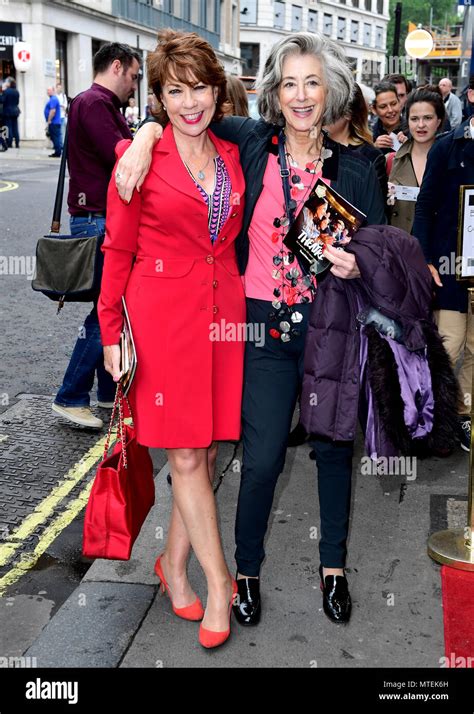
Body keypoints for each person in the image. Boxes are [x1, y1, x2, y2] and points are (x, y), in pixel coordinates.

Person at [116, 31, 386, 627]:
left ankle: (333, 570)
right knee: (259, 459)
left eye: (312, 82)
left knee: (333, 451)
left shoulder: (362, 169)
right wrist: (143, 136)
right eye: (289, 82)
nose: (300, 95)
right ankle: (246, 573)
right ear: (273, 92)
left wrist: (360, 262)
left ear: (331, 90)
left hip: (329, 330)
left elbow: (383, 255)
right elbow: (187, 116)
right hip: (260, 329)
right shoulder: (252, 142)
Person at [99, 29, 245, 649]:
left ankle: (174, 568)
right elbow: (117, 249)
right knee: (184, 455)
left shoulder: (234, 151)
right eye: (175, 92)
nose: (191, 103)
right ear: (157, 96)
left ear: (217, 91)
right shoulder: (139, 159)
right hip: (163, 319)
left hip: (223, 314)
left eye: (200, 88)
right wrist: (111, 333)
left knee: (207, 453)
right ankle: (219, 583)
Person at [51, 43, 140, 429]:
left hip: (97, 218)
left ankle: (107, 394)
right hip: (98, 220)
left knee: (111, 307)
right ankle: (70, 396)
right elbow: (122, 154)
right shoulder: (95, 103)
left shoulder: (93, 104)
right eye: (134, 76)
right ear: (117, 67)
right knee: (106, 311)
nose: (135, 85)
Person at [412, 75, 474, 452]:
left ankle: (464, 418)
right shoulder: (448, 147)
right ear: (471, 95)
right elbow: (424, 206)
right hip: (450, 269)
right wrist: (426, 259)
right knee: (449, 344)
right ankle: (424, 419)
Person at [388, 86, 446, 235]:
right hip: (399, 249)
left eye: (427, 118)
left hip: (439, 250)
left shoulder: (453, 160)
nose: (420, 125)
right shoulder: (390, 161)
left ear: (438, 120)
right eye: (414, 119)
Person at [325, 83, 387, 215]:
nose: (321, 114)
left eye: (328, 109)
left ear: (348, 114)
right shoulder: (313, 149)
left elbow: (375, 216)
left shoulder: (370, 156)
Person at [372, 81, 408, 155]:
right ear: (374, 110)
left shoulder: (413, 130)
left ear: (399, 103)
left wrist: (410, 148)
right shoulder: (368, 135)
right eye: (383, 107)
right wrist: (373, 149)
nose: (390, 110)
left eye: (393, 104)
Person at [44, 87, 62, 157]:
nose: (47, 92)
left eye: (49, 90)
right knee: (54, 137)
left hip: (54, 122)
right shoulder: (52, 99)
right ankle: (57, 151)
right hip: (54, 122)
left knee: (55, 137)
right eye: (47, 90)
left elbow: (53, 111)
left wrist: (49, 120)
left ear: (53, 91)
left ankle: (57, 152)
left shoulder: (53, 99)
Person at [3, 78, 20, 149]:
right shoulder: (16, 91)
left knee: (9, 127)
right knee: (15, 127)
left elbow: (2, 100)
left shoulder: (6, 91)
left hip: (8, 111)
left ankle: (9, 143)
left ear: (9, 83)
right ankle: (17, 143)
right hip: (15, 111)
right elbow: (17, 102)